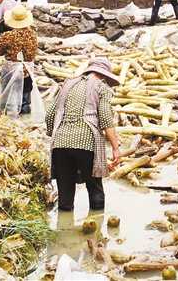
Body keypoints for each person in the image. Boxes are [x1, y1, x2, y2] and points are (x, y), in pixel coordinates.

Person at [46, 58, 122, 211]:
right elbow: (106, 119)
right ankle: (97, 225)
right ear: (104, 76)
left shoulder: (67, 84)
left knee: (65, 192)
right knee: (94, 187)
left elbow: (50, 114)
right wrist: (115, 148)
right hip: (86, 143)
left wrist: (56, 134)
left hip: (60, 143)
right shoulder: (102, 87)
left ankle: (65, 229)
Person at [0, 4, 40, 117]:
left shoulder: (9, 36)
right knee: (25, 92)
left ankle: (9, 114)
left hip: (12, 70)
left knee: (10, 96)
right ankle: (25, 113)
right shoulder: (33, 35)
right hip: (28, 69)